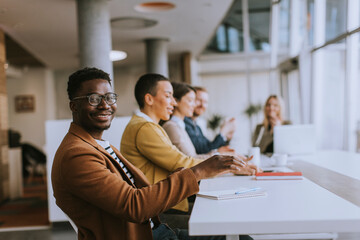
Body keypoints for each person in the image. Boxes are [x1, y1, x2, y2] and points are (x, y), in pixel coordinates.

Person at [52, 67, 254, 240]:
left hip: (154, 229)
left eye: (109, 97)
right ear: (74, 105)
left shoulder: (98, 144)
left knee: (234, 232)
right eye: (94, 99)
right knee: (235, 233)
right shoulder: (77, 154)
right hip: (145, 233)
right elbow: (134, 204)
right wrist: (199, 172)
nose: (105, 104)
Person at [120, 74, 255, 213]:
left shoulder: (147, 126)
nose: (173, 102)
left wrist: (229, 164)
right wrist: (230, 167)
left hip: (165, 203)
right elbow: (181, 162)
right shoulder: (145, 127)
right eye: (168, 96)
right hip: (161, 210)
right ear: (149, 99)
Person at [162, 82, 222, 159]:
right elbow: (191, 159)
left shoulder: (180, 125)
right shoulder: (171, 126)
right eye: (190, 100)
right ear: (176, 101)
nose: (194, 105)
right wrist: (219, 155)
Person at [184, 86, 236, 154]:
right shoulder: (184, 124)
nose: (202, 105)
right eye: (199, 100)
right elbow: (204, 150)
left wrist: (227, 136)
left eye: (205, 102)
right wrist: (223, 131)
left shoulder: (197, 127)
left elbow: (212, 147)